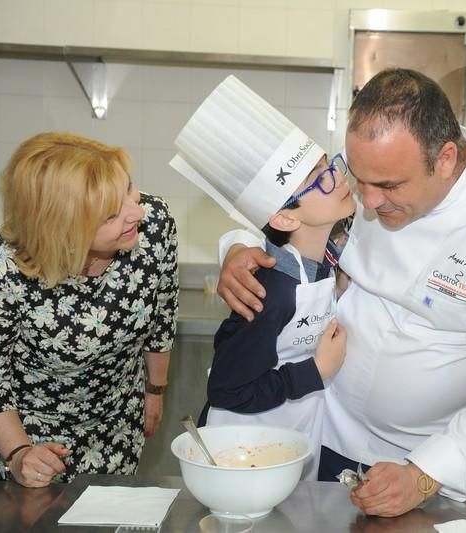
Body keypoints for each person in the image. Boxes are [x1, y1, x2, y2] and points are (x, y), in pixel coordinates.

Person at [216, 68, 466, 517]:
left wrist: (421, 475)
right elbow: (284, 208)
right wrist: (238, 248)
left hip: (425, 461)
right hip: (326, 426)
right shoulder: (374, 160)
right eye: (359, 179)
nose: (369, 201)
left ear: (446, 159)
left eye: (390, 187)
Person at [0, 132, 178, 487]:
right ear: (63, 228)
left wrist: (154, 391)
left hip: (119, 422)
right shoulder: (2, 267)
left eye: (128, 188)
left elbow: (162, 312)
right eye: (111, 214)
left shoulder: (152, 225)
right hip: (32, 434)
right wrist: (18, 455)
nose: (136, 211)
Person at [169, 76, 351, 478]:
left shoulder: (326, 260)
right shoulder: (271, 291)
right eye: (320, 180)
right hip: (244, 448)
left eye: (331, 166)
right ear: (285, 217)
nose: (338, 179)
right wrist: (314, 372)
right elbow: (227, 390)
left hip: (292, 436)